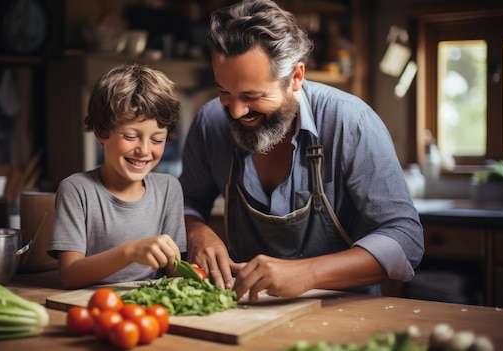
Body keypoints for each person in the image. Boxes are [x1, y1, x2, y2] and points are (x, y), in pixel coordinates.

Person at [179, 0, 424, 302]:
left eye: (253, 95)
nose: (237, 110)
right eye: (224, 92)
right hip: (243, 313)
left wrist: (308, 274)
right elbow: (188, 201)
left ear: (296, 77)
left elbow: (405, 240)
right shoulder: (210, 123)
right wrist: (196, 231)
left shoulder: (350, 122)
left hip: (342, 314)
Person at [48, 63, 186, 289]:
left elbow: (174, 270)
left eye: (157, 140)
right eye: (131, 136)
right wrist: (130, 252)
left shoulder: (169, 189)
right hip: (94, 304)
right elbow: (70, 275)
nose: (144, 150)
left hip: (150, 308)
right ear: (101, 132)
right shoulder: (76, 189)